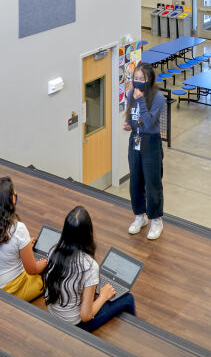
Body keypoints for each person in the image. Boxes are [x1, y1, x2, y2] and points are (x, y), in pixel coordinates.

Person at [43, 206, 136, 331]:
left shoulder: (53, 251)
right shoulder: (89, 266)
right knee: (128, 298)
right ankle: (135, 332)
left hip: (54, 314)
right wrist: (103, 296)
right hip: (76, 325)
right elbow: (86, 316)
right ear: (88, 233)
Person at [0, 176, 46, 301]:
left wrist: (25, 246)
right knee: (47, 275)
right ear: (11, 200)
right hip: (9, 289)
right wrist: (44, 263)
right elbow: (32, 270)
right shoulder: (19, 229)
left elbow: (4, 249)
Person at [123, 62, 166, 240]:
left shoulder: (158, 98)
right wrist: (129, 124)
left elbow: (149, 123)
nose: (138, 82)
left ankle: (156, 219)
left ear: (150, 80)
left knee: (152, 182)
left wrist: (140, 99)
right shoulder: (131, 94)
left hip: (151, 142)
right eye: (136, 78)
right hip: (135, 140)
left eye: (142, 79)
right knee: (135, 181)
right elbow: (133, 118)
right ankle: (139, 216)